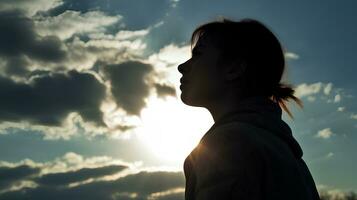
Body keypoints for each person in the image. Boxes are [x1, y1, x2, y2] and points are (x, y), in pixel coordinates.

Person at [177, 18, 321, 200]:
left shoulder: (228, 144)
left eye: (198, 54)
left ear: (234, 69)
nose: (182, 67)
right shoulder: (289, 155)